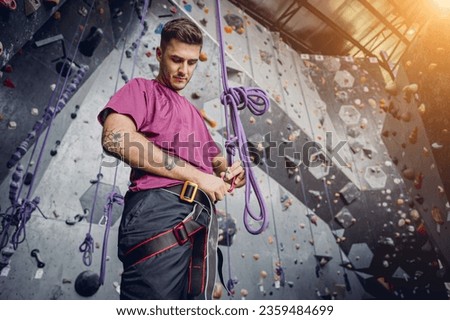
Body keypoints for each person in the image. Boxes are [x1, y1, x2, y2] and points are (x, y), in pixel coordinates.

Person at [97, 18, 245, 300]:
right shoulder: (142, 90)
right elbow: (115, 138)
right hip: (158, 211)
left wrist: (235, 173)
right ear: (159, 54)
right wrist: (199, 177)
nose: (183, 70)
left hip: (200, 218)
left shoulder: (193, 114)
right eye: (177, 59)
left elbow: (217, 164)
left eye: (191, 63)